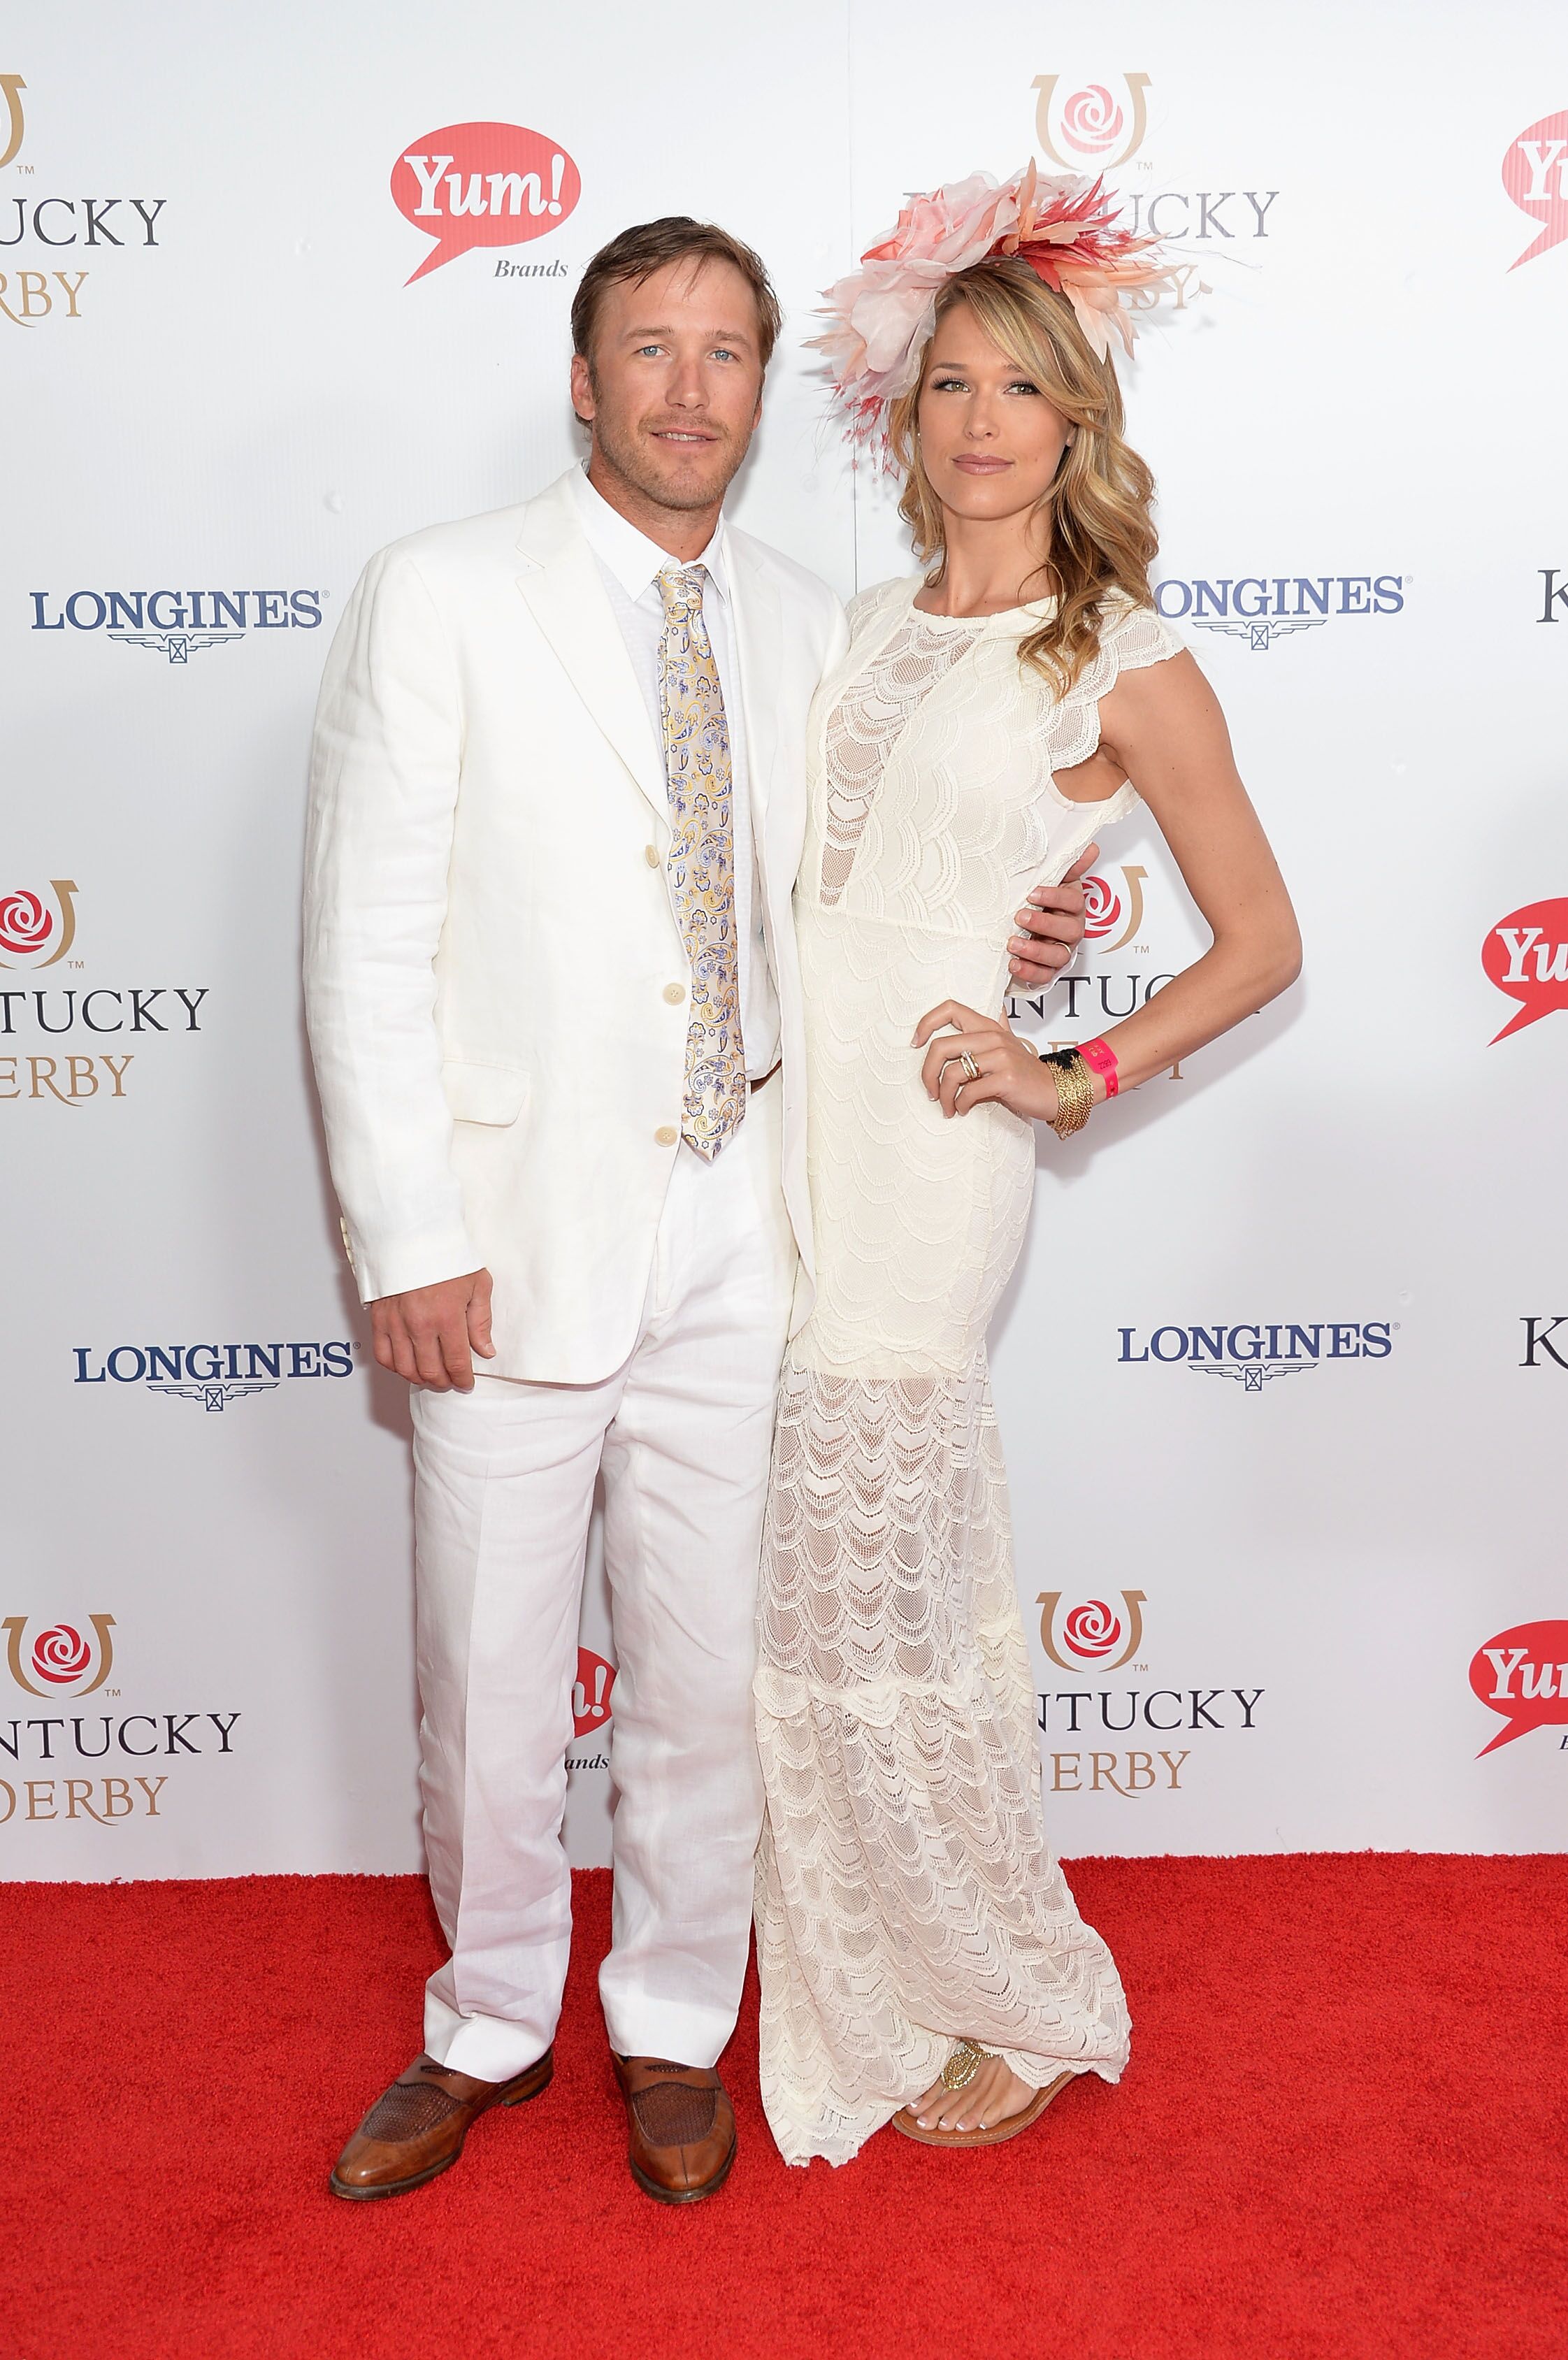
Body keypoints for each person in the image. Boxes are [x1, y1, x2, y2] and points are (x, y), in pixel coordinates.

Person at [303, 214, 1088, 2207]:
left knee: (702, 1668)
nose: (683, 385)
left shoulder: (819, 618)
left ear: (761, 391)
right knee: (483, 1673)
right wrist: (407, 1238)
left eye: (723, 350)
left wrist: (1055, 921)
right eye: (644, 348)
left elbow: (915, 853)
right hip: (504, 1235)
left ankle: (671, 2025)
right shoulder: (441, 592)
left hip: (753, 1217)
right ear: (583, 381)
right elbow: (361, 945)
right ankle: (485, 2015)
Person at [753, 168, 1302, 2166]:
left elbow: (1261, 940)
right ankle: (873, 1964)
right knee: (799, 1604)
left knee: (867, 1601)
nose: (979, 420)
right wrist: (1020, 928)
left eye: (1020, 388)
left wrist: (1068, 1071)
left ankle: (1007, 1993)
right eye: (946, 385)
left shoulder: (1118, 652)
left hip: (919, 1146)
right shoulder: (865, 623)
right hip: (775, 1129)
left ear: (1078, 423)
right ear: (901, 420)